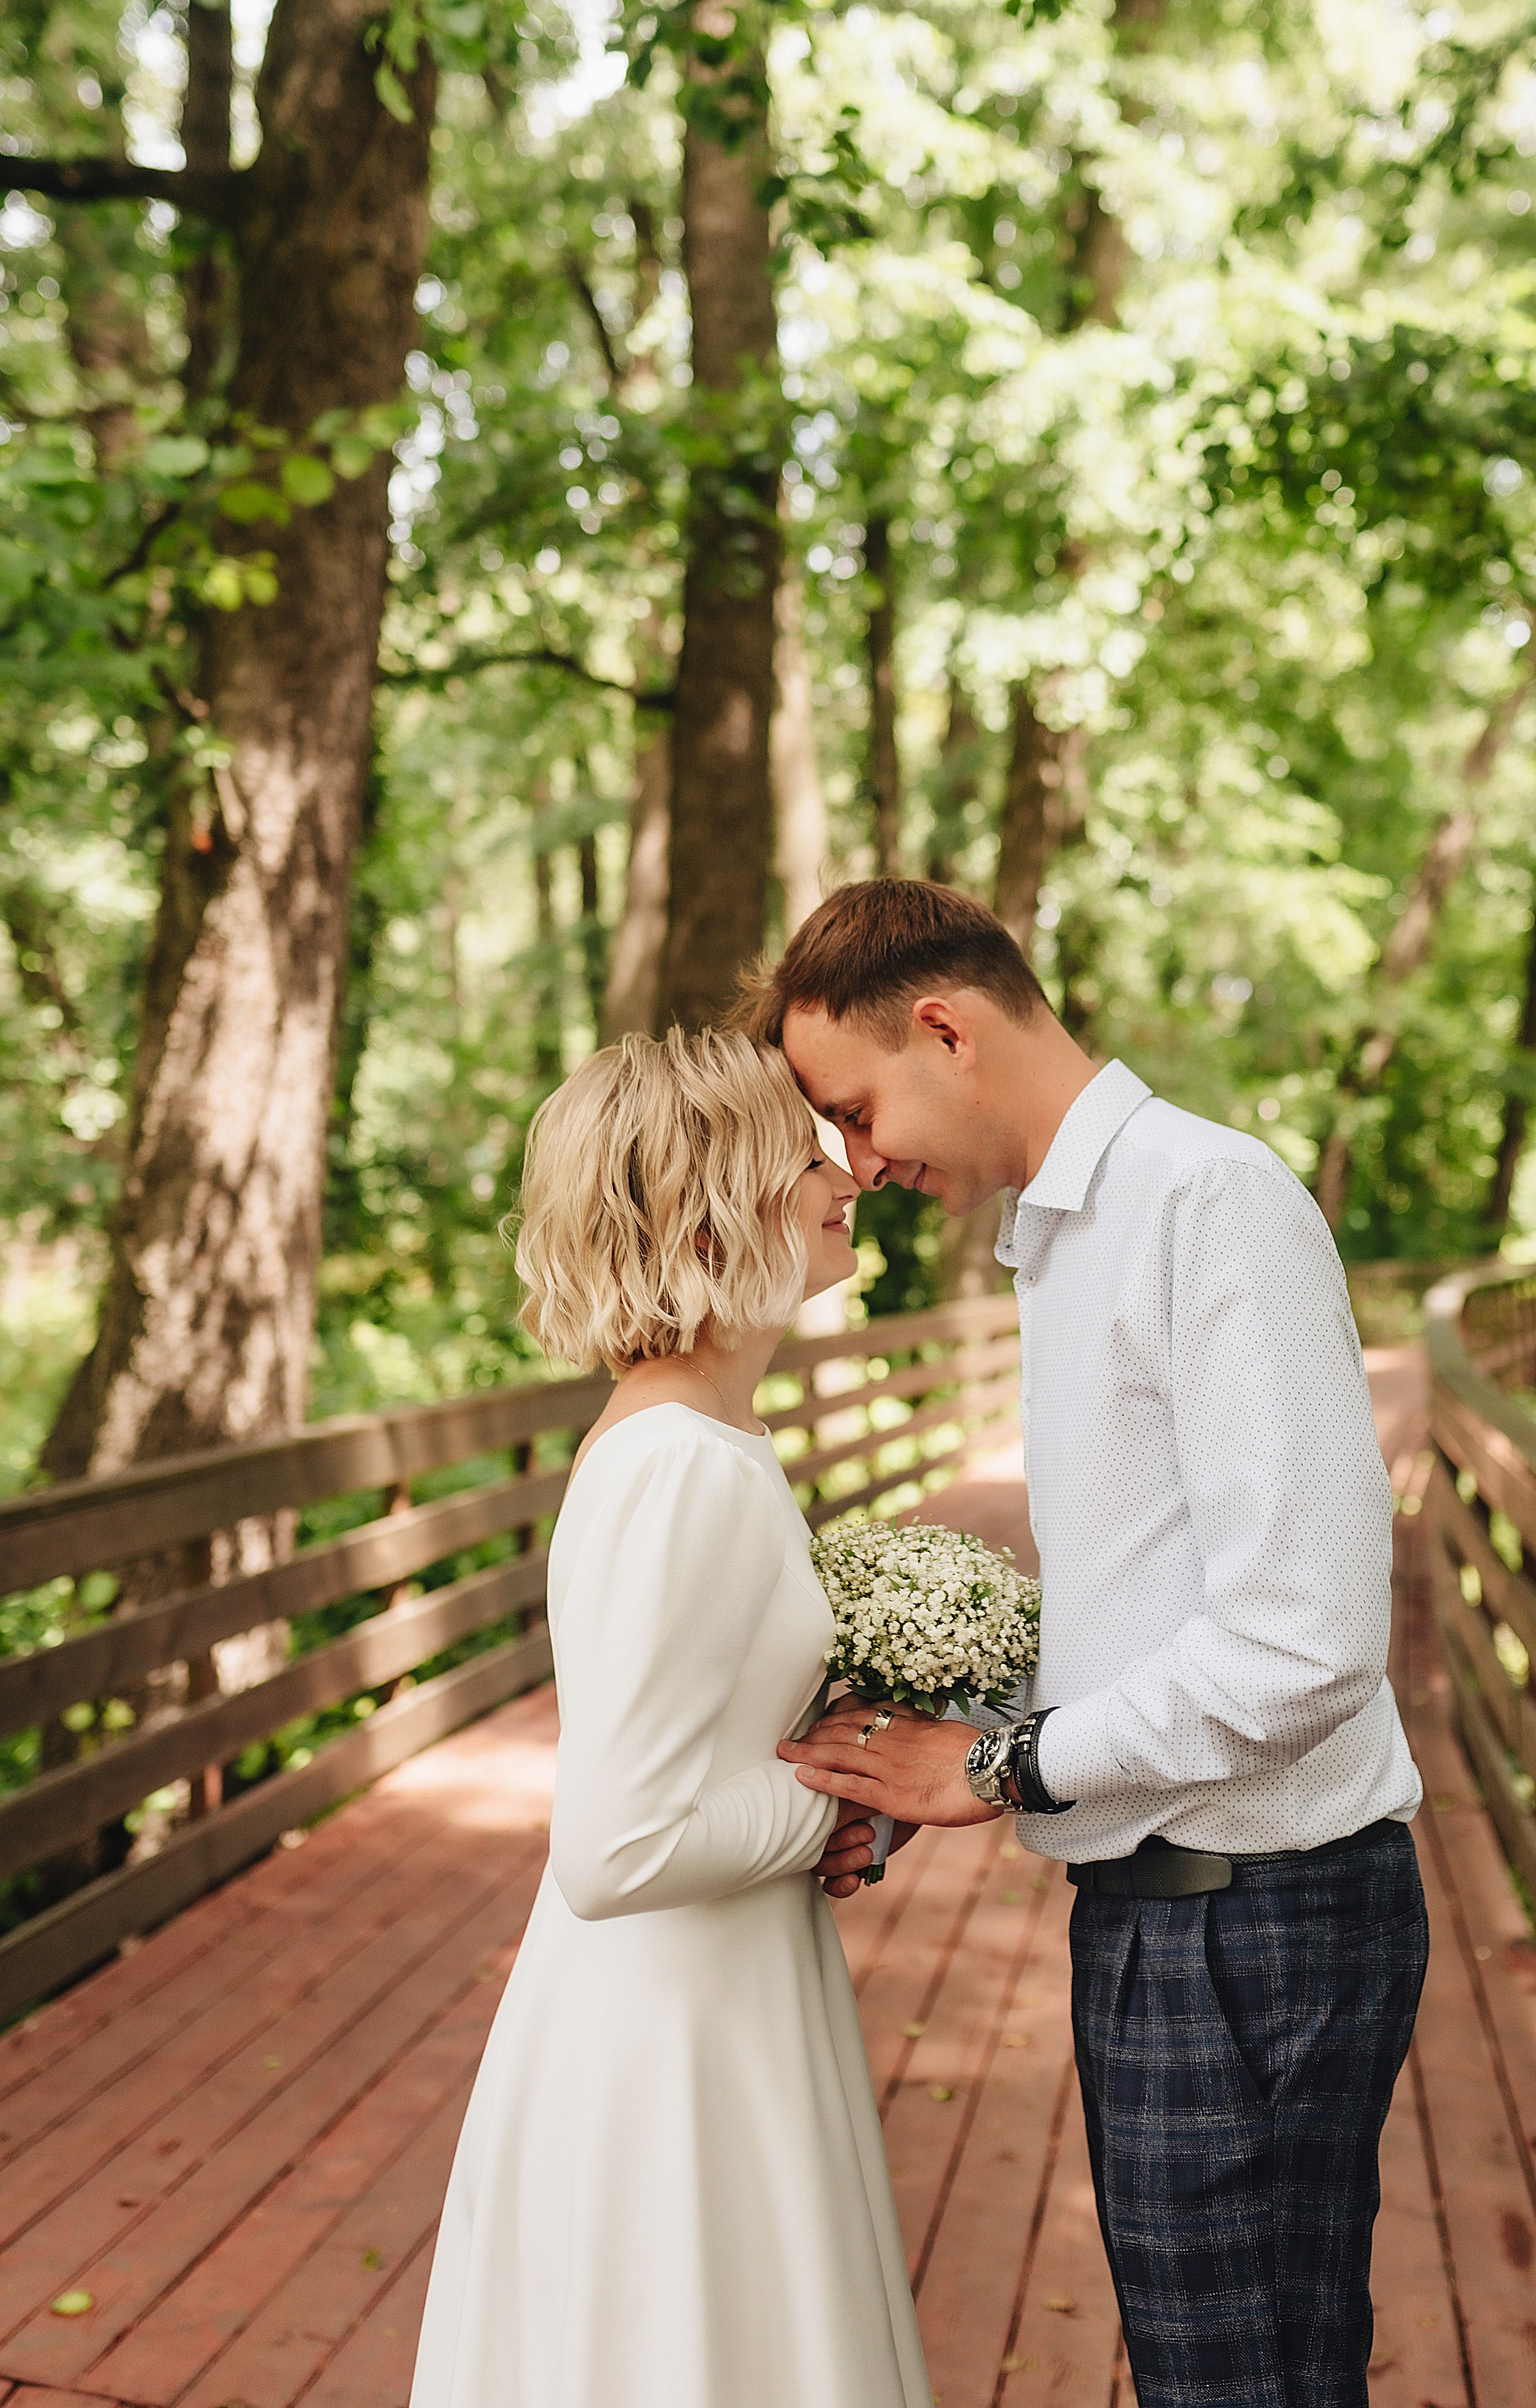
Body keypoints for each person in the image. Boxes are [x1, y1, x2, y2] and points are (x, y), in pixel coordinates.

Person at [764, 881, 1427, 2408]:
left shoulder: (1206, 1201)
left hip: (1250, 1917)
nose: (859, 1162)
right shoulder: (1062, 1235)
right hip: (1157, 1904)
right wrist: (934, 1746)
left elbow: (1307, 1641)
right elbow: (1144, 1595)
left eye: (856, 1110)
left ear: (946, 1029)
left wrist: (1000, 1765)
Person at [410, 1028, 932, 2408]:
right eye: (804, 1155)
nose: (847, 1176)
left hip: (729, 1993)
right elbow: (616, 1844)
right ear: (711, 1219)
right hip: (671, 2044)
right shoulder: (677, 1467)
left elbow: (708, 1753)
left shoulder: (712, 1440)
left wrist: (836, 1788)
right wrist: (841, 1788)